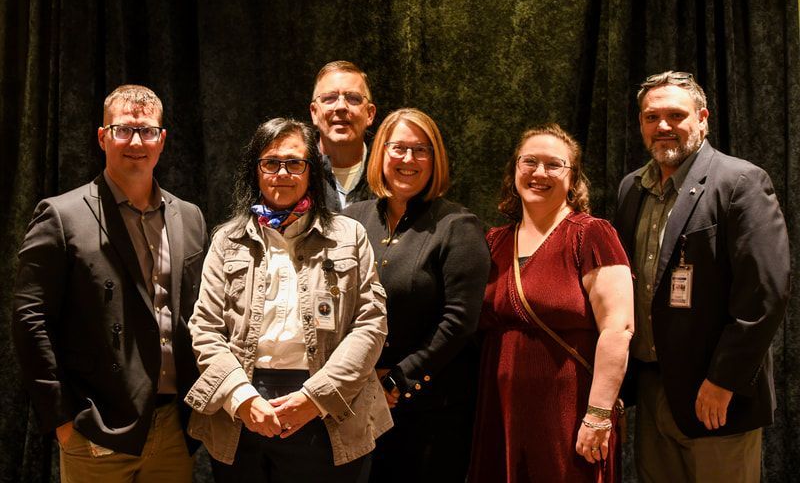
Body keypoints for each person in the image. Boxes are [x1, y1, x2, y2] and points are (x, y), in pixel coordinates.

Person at [12, 85, 207, 482]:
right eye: (123, 130)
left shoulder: (190, 216)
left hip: (173, 425)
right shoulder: (61, 216)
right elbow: (30, 321)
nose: (136, 141)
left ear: (162, 140)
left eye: (147, 131)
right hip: (97, 427)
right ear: (102, 137)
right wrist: (63, 423)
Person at [184, 118, 391, 482]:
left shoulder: (349, 236)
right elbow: (204, 328)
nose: (283, 172)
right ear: (256, 170)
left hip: (328, 407)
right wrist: (244, 399)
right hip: (242, 405)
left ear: (311, 171)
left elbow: (371, 325)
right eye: (271, 162)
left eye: (295, 162)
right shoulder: (226, 240)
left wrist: (315, 397)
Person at [614, 71, 790, 482]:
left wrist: (723, 380)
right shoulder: (630, 189)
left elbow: (765, 294)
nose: (662, 127)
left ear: (703, 118)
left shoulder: (740, 181)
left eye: (676, 115)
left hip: (715, 394)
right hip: (653, 387)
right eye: (650, 117)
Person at [469, 123, 634, 482]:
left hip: (569, 411)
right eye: (529, 162)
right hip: (501, 410)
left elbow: (619, 329)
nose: (539, 173)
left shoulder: (592, 234)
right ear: (515, 169)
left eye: (554, 165)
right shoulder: (495, 241)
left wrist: (597, 415)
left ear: (572, 178)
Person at [344, 108, 491, 483]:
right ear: (380, 154)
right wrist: (359, 379)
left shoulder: (458, 226)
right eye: (398, 148)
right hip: (354, 402)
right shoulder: (351, 220)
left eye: (420, 150)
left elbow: (460, 322)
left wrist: (397, 379)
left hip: (431, 410)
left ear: (435, 159)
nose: (408, 159)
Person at [309, 60, 377, 210]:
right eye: (329, 98)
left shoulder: (389, 174)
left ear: (370, 114)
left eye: (353, 98)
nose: (340, 107)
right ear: (314, 112)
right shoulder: (295, 173)